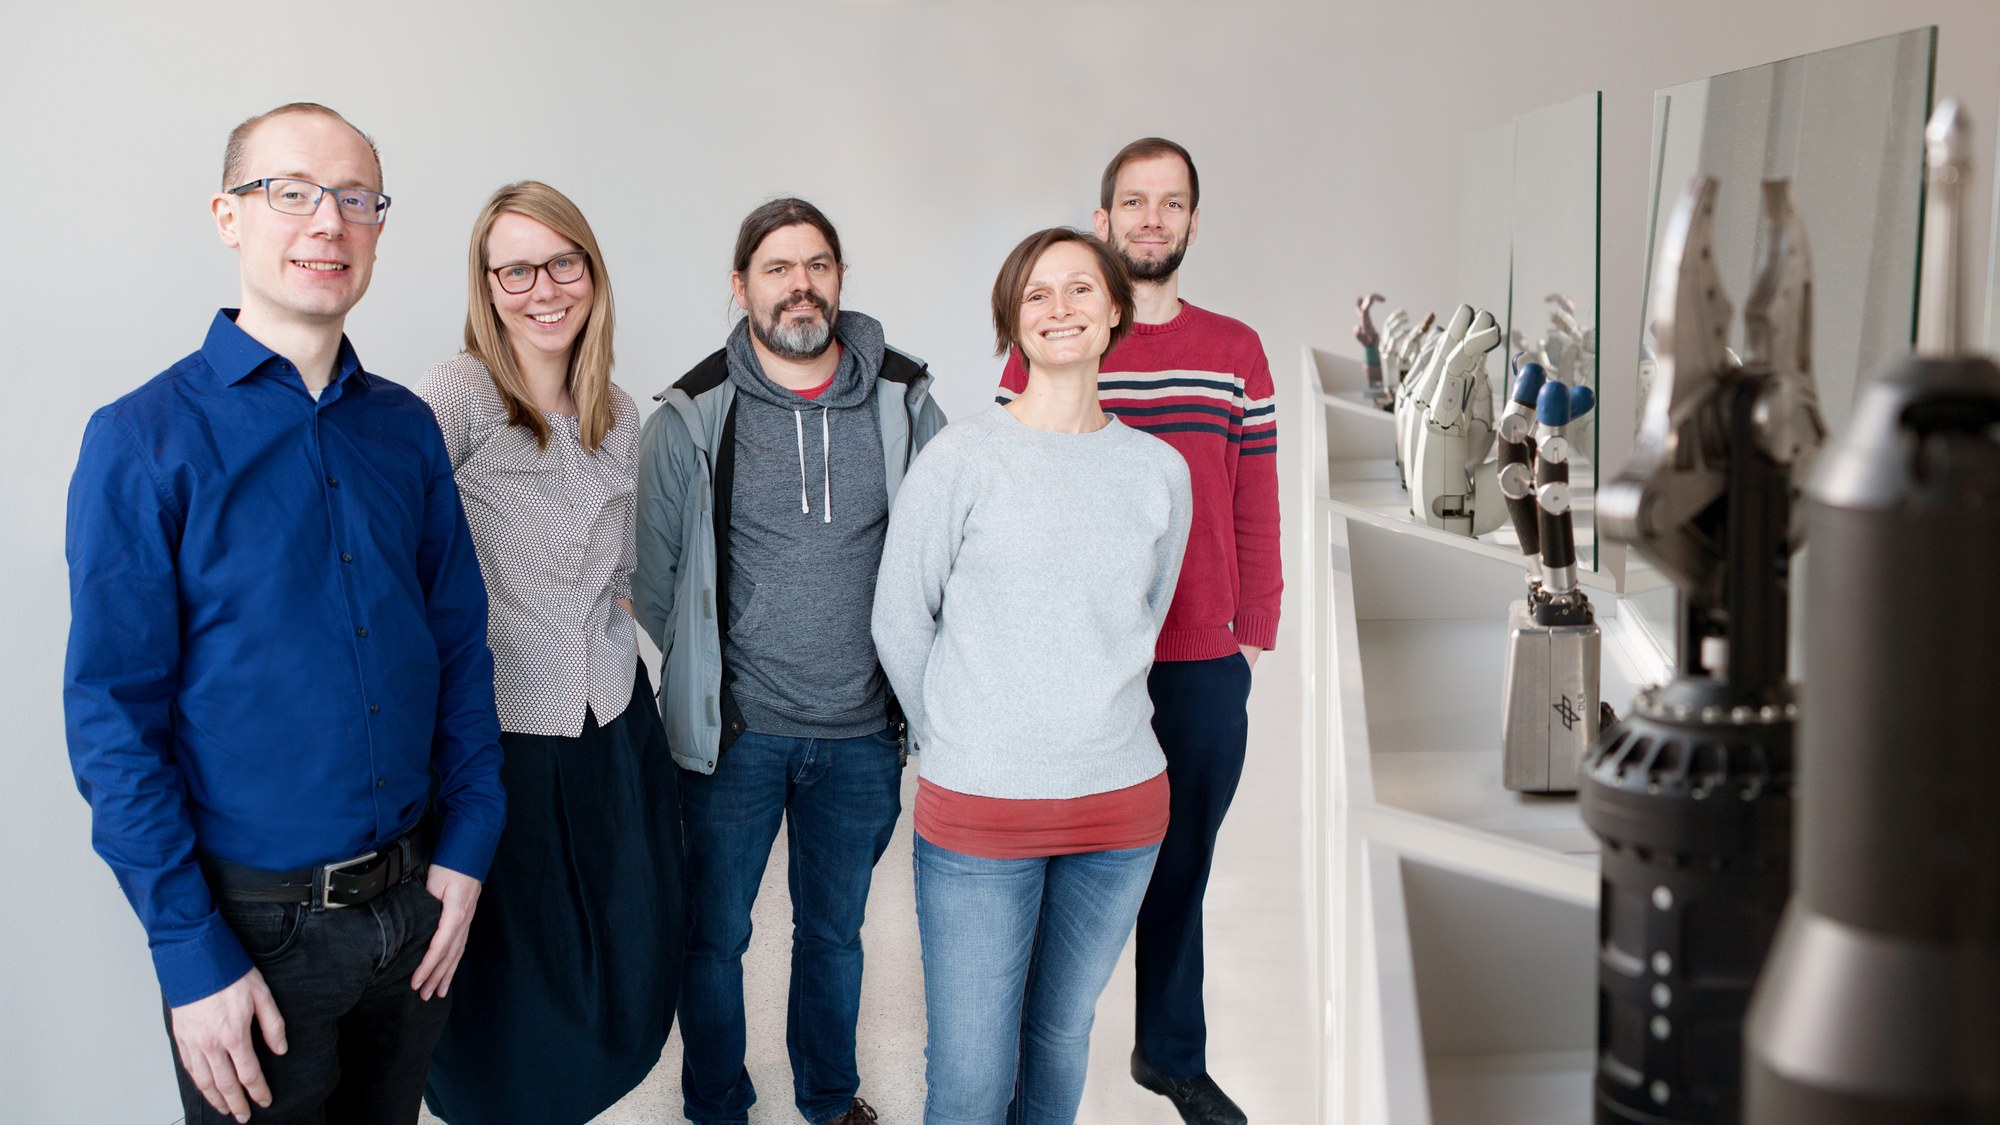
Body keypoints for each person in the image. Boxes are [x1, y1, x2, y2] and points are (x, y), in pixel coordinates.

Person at [63, 102, 505, 1125]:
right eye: (292, 193)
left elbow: (457, 648)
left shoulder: (403, 429)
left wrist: (469, 847)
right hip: (252, 935)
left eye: (356, 199)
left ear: (380, 229)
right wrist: (186, 949)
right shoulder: (141, 440)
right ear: (228, 216)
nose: (327, 223)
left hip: (416, 910)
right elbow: (112, 721)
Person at [633, 197, 945, 1125]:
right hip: (735, 735)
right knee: (715, 934)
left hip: (859, 733)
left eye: (817, 264)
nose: (799, 284)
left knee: (836, 936)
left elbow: (941, 557)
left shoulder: (905, 400)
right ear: (741, 287)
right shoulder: (692, 413)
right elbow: (656, 583)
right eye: (777, 267)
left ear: (840, 280)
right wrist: (711, 681)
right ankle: (718, 1103)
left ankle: (828, 1094)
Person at [874, 226, 1194, 1125]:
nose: (1061, 309)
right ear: (1012, 321)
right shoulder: (961, 461)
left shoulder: (1158, 470)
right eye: (1038, 294)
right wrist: (952, 740)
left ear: (1116, 312)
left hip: (1121, 809)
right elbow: (899, 618)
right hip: (980, 809)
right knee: (972, 1078)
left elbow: (1145, 612)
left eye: (1081, 290)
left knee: (1058, 1043)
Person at [997, 137, 1280, 1125]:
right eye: (1132, 202)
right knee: (1050, 862)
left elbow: (1254, 498)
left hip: (1201, 655)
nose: (1150, 219)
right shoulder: (1058, 339)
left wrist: (1254, 628)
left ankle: (1168, 1053)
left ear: (1191, 223)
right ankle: (1021, 1061)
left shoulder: (1236, 350)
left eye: (1170, 203)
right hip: (1079, 657)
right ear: (1103, 218)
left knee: (1180, 861)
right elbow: (1011, 496)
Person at [417, 181, 685, 1124]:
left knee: (618, 935)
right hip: (505, 725)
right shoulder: (457, 395)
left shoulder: (617, 408)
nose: (543, 287)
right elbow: (398, 541)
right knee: (515, 966)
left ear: (592, 273)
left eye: (562, 262)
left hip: (611, 715)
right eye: (516, 268)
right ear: (488, 286)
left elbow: (624, 568)